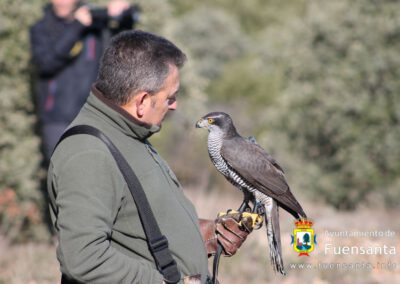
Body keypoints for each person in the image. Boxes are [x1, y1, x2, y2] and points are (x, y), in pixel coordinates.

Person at [48, 30, 255, 284]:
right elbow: (83, 258)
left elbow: (134, 227)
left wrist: (204, 235)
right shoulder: (87, 153)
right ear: (142, 101)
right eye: (170, 97)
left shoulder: (128, 131)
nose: (174, 105)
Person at [30, 0, 135, 164]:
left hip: (94, 114)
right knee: (63, 172)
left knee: (96, 171)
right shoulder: (42, 28)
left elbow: (123, 41)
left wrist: (124, 13)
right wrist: (77, 26)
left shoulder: (95, 26)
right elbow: (46, 64)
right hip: (57, 118)